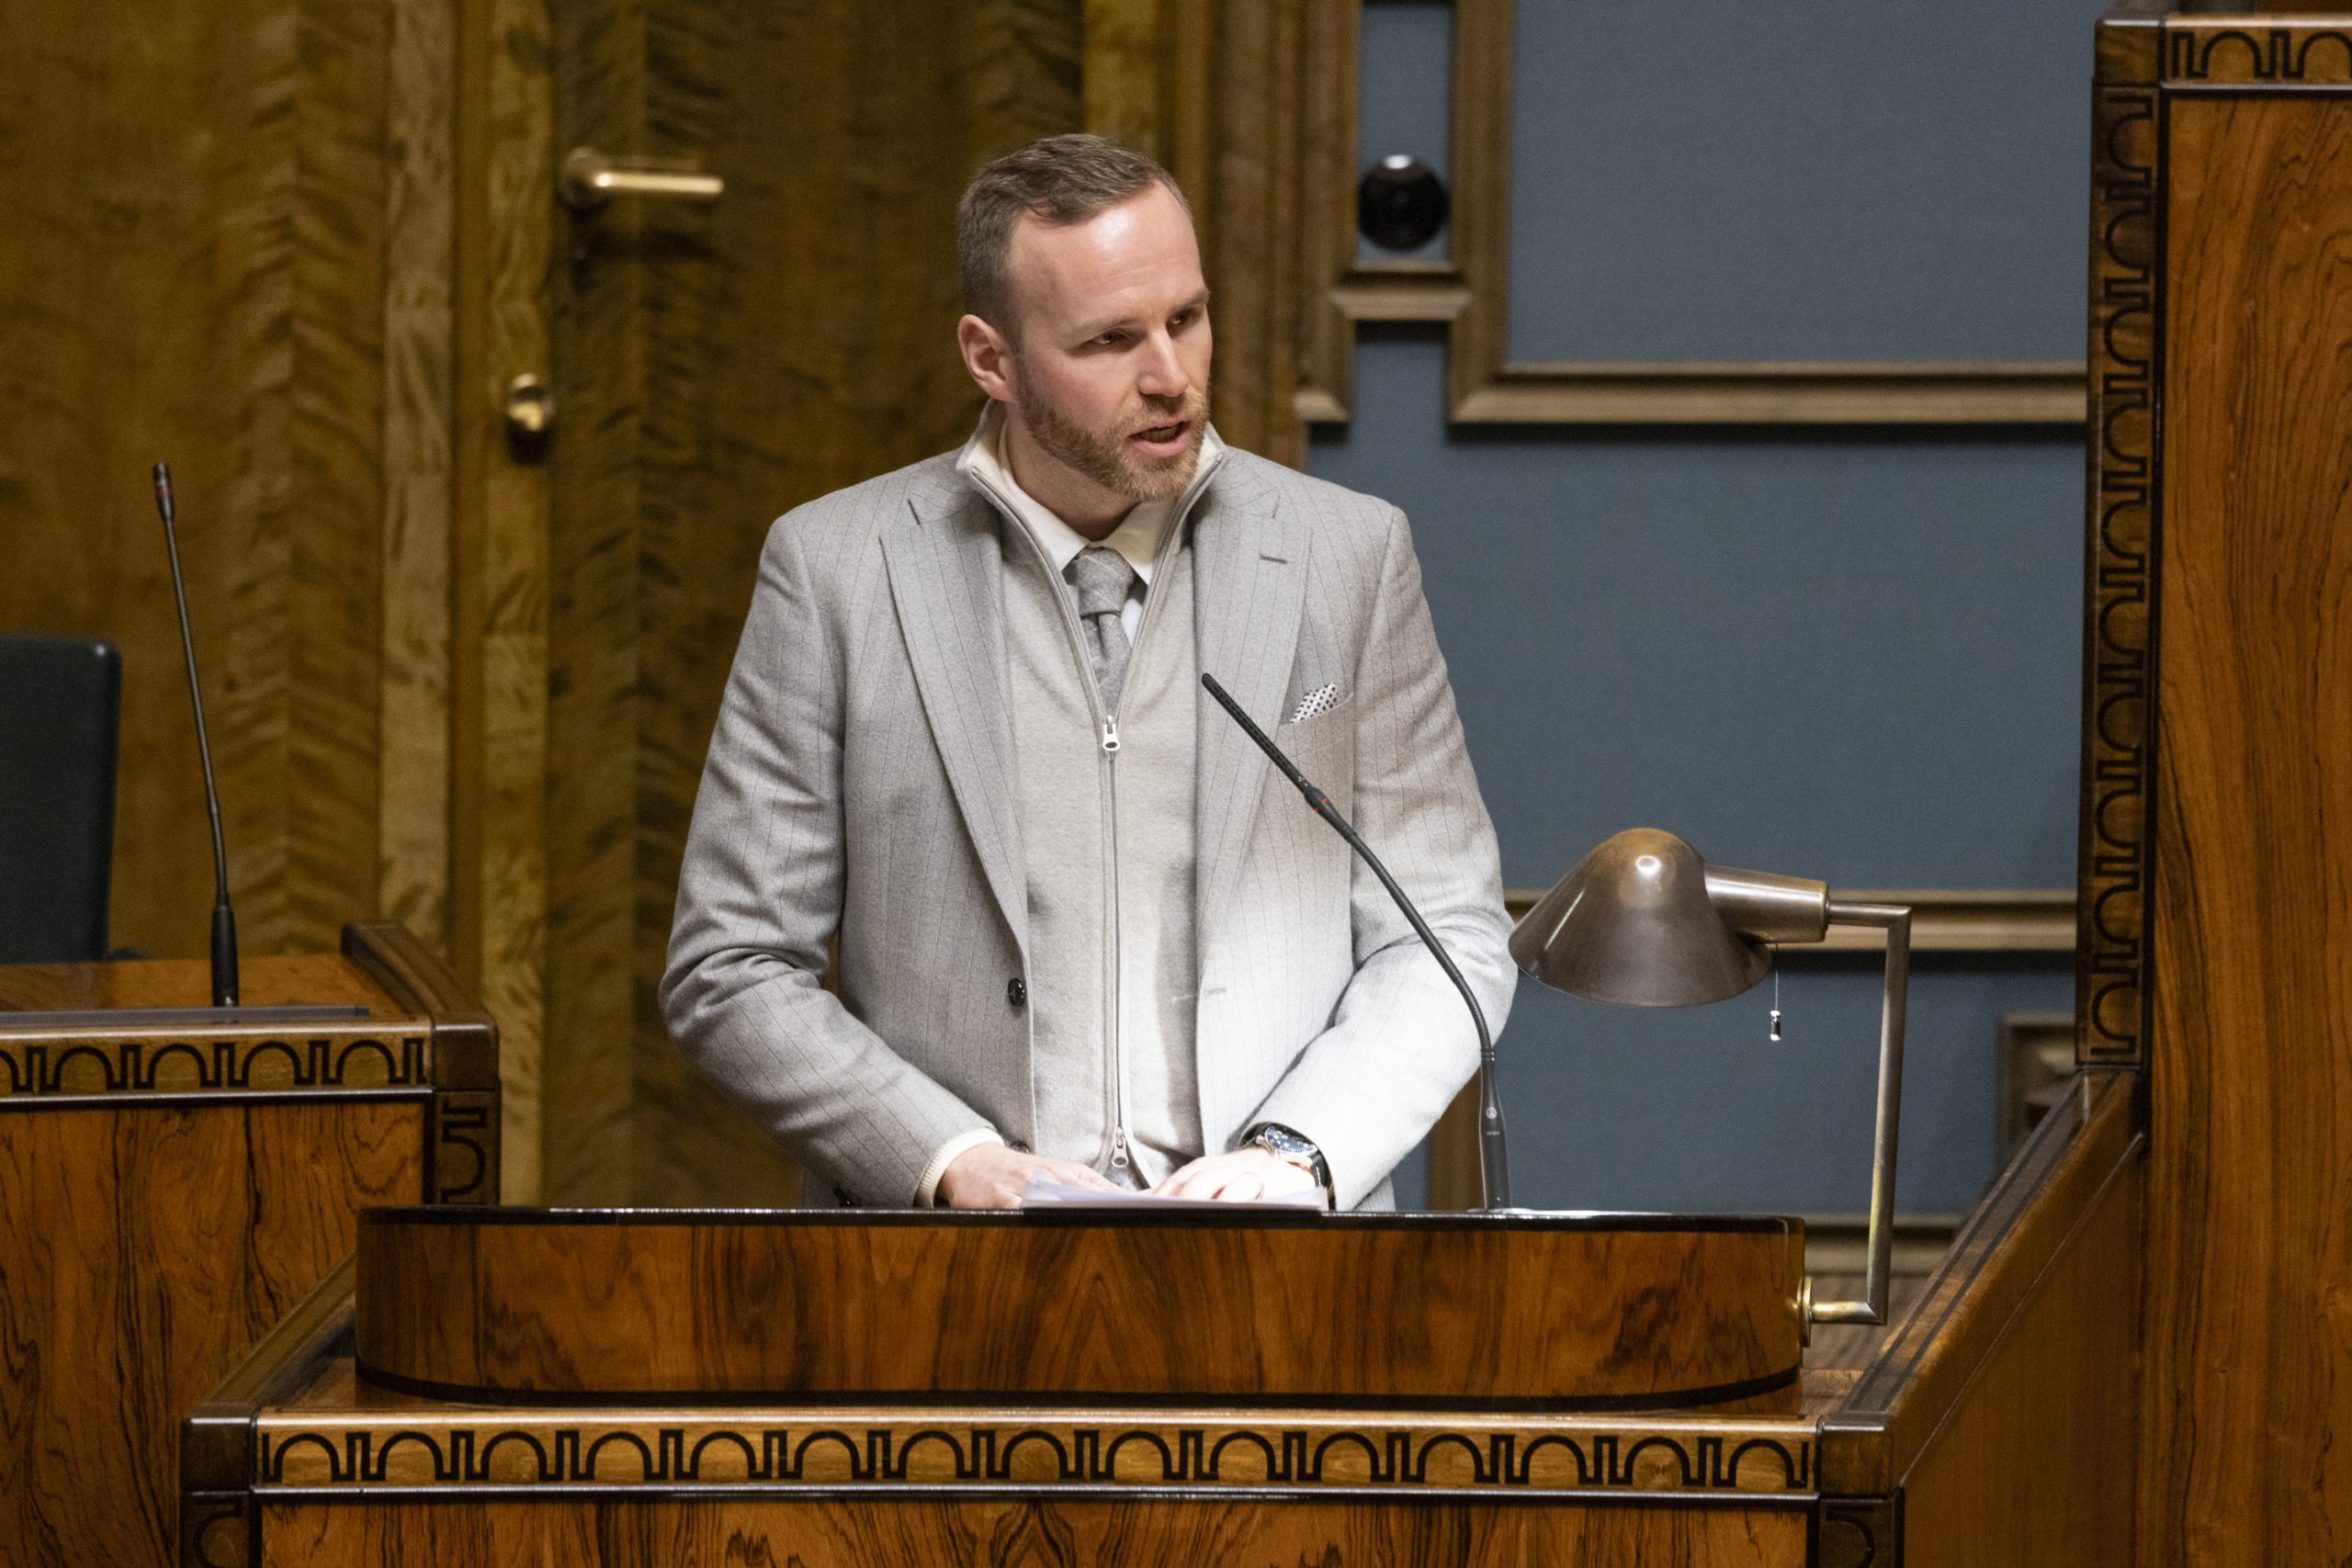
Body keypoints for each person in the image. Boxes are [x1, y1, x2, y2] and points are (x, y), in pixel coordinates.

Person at [661, 133, 1513, 1211]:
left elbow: (1446, 932)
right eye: (1110, 340)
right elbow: (731, 965)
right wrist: (944, 1159)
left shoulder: (1348, 556)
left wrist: (1299, 1154)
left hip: (1279, 1250)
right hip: (948, 1260)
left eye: (1185, 318)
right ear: (991, 358)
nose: (1170, 377)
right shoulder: (836, 570)